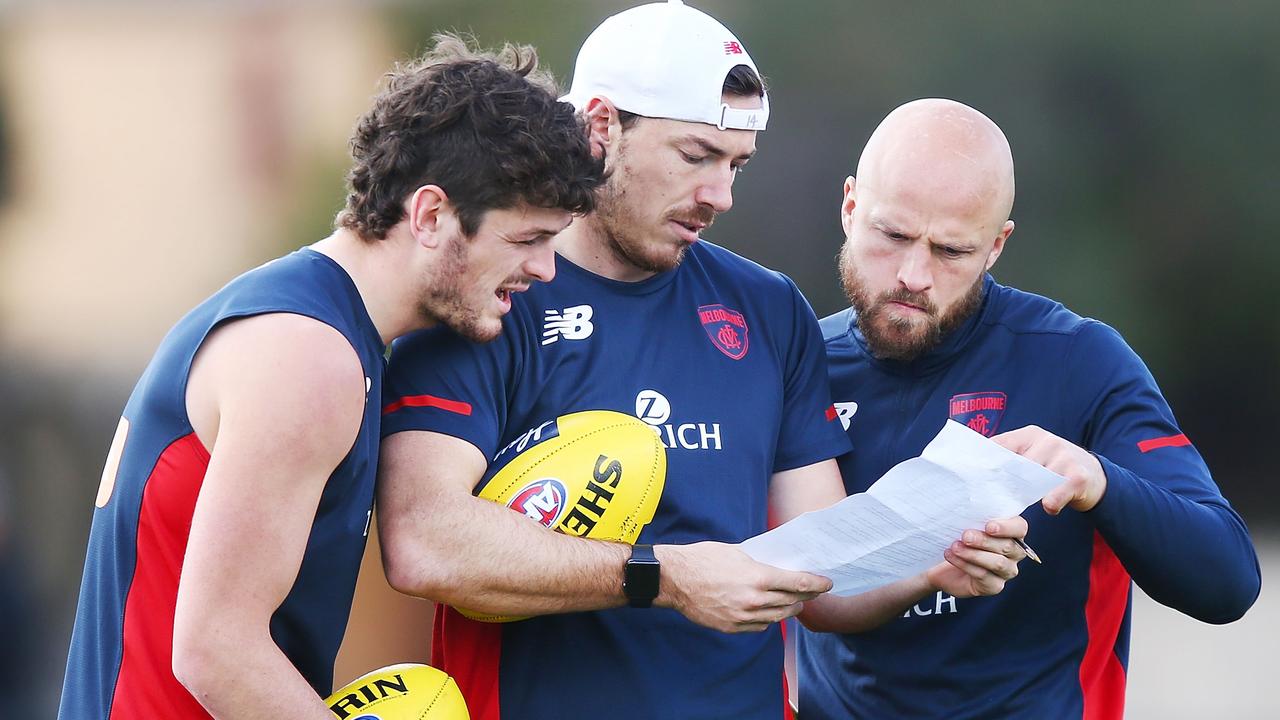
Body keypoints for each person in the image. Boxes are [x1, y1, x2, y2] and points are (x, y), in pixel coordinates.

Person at [377, 4, 1029, 719]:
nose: (720, 195)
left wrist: (934, 565)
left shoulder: (767, 308)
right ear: (600, 127)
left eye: (736, 164)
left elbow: (828, 575)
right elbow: (425, 543)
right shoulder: (482, 297)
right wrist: (667, 578)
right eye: (696, 156)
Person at [57, 35, 603, 720]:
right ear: (431, 215)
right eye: (527, 240)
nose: (547, 270)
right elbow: (216, 650)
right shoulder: (309, 357)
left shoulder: (309, 319)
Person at [796, 98, 1262, 719]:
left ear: (996, 246)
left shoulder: (1078, 360)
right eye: (893, 235)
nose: (914, 275)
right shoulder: (799, 362)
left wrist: (1099, 482)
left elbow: (1228, 581)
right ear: (851, 207)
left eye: (952, 251)